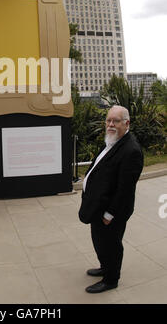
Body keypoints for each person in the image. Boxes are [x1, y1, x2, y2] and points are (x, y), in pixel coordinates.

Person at [78, 105, 143, 293]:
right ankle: (105, 267)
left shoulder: (131, 150)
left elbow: (125, 190)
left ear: (126, 123)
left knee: (111, 245)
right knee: (99, 241)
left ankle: (111, 279)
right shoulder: (112, 141)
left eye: (115, 121)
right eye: (108, 120)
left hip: (111, 211)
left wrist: (109, 213)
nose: (110, 124)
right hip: (99, 206)